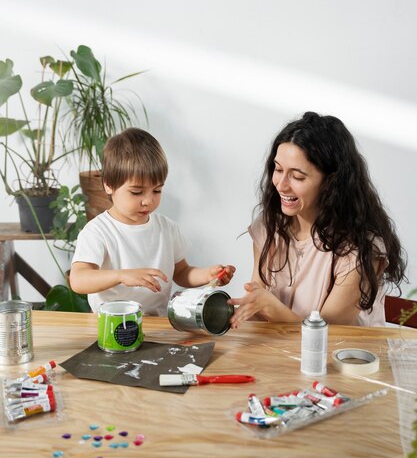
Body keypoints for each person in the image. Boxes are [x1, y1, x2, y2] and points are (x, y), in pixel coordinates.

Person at [228, 111, 406, 327]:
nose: (281, 185)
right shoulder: (269, 228)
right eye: (278, 169)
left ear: (331, 183)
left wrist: (273, 309)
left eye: (297, 176)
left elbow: (331, 331)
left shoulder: (360, 247)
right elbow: (256, 306)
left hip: (345, 358)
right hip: (281, 354)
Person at [70, 128, 235, 315]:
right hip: (112, 325)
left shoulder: (167, 229)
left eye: (157, 191)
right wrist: (121, 276)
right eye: (136, 192)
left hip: (158, 325)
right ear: (108, 184)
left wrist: (207, 275)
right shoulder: (98, 231)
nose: (148, 200)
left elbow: (181, 273)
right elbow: (78, 279)